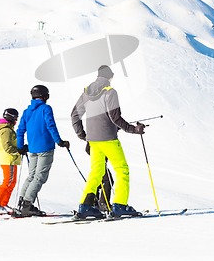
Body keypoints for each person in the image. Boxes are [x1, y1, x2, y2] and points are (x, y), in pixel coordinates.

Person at [71, 65, 145, 219]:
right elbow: (115, 117)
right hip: (108, 139)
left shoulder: (86, 93)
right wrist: (134, 129)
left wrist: (82, 135)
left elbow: (74, 115)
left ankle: (85, 207)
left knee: (96, 172)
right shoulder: (110, 92)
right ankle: (119, 205)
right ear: (110, 77)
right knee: (122, 169)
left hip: (93, 141)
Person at [16, 85, 70, 217]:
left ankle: (21, 204)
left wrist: (20, 146)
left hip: (33, 148)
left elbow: (20, 130)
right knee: (39, 177)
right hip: (45, 147)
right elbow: (50, 125)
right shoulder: (46, 108)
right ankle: (27, 206)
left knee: (32, 176)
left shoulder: (27, 111)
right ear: (45, 96)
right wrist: (59, 141)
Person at [0, 108, 21, 213]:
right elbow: (7, 147)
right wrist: (18, 151)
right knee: (7, 182)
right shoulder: (6, 130)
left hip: (11, 159)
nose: (16, 121)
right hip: (8, 159)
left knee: (11, 182)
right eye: (15, 118)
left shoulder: (8, 129)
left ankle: (3, 204)